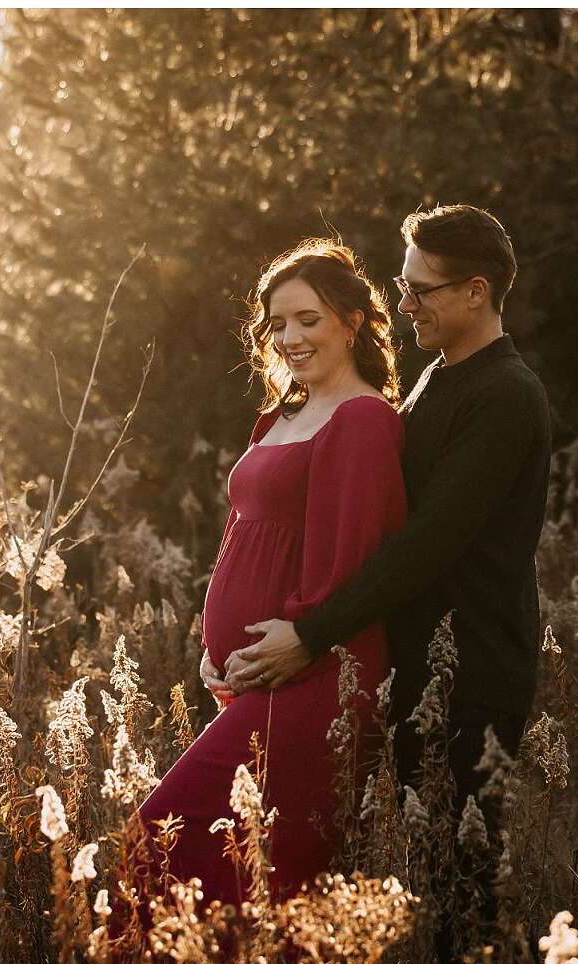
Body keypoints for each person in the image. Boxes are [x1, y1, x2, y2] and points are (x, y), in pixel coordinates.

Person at [221, 204, 552, 964]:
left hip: (471, 671)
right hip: (414, 667)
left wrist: (308, 631)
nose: (404, 306)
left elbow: (428, 544)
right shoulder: (438, 377)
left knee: (466, 883)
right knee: (428, 867)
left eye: (422, 291)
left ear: (476, 291)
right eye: (402, 287)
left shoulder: (505, 395)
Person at [125, 239, 405, 912]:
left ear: (352, 322)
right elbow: (246, 532)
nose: (290, 337)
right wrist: (211, 647)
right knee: (251, 869)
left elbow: (354, 560)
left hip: (311, 678)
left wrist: (293, 640)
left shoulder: (363, 419)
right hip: (257, 677)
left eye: (308, 319)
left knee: (165, 838)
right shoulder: (280, 416)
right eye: (278, 324)